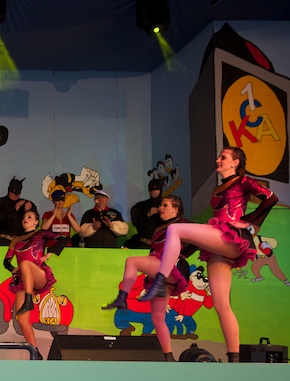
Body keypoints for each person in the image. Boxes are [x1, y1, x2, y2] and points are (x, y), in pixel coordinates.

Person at [139, 147, 278, 362]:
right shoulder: (219, 187)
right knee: (221, 305)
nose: (218, 160)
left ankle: (161, 278)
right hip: (219, 247)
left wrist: (248, 222)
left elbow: (270, 198)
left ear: (235, 162)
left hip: (228, 235)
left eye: (223, 157)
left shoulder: (242, 181)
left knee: (175, 229)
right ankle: (235, 359)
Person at [101, 195, 190, 361]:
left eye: (165, 205)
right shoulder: (159, 228)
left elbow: (199, 239)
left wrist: (182, 256)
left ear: (175, 209)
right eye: (160, 205)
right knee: (157, 317)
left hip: (170, 267)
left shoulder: (183, 223)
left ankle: (122, 298)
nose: (160, 208)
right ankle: (168, 356)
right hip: (162, 275)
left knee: (132, 261)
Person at [2, 210, 66, 349]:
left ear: (36, 222)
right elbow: (6, 261)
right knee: (22, 320)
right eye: (24, 217)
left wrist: (50, 253)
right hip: (23, 280)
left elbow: (64, 238)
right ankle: (34, 351)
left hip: (39, 274)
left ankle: (28, 300)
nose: (25, 218)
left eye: (29, 217)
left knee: (25, 263)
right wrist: (12, 269)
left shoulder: (41, 233)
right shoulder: (16, 240)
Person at [0, 177, 37, 246]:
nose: (15, 195)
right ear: (9, 190)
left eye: (18, 193)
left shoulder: (25, 203)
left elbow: (35, 222)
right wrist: (14, 209)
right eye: (13, 192)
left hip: (21, 241)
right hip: (3, 240)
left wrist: (30, 211)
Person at [123, 178, 163, 249]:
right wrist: (148, 214)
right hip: (144, 242)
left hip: (162, 243)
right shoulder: (140, 206)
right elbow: (136, 222)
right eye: (151, 189)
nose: (154, 191)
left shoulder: (167, 205)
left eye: (156, 189)